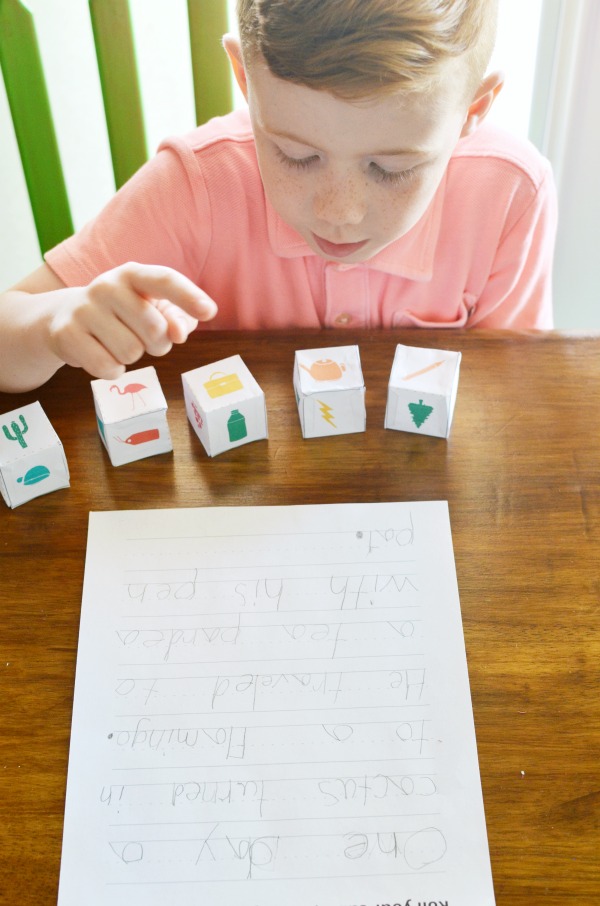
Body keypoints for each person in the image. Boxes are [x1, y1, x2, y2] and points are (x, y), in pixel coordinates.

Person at [0, 0, 557, 393]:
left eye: (393, 168)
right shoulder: (197, 185)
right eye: (297, 155)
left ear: (473, 112)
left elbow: (515, 386)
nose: (340, 213)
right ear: (245, 78)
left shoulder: (511, 194)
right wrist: (53, 322)